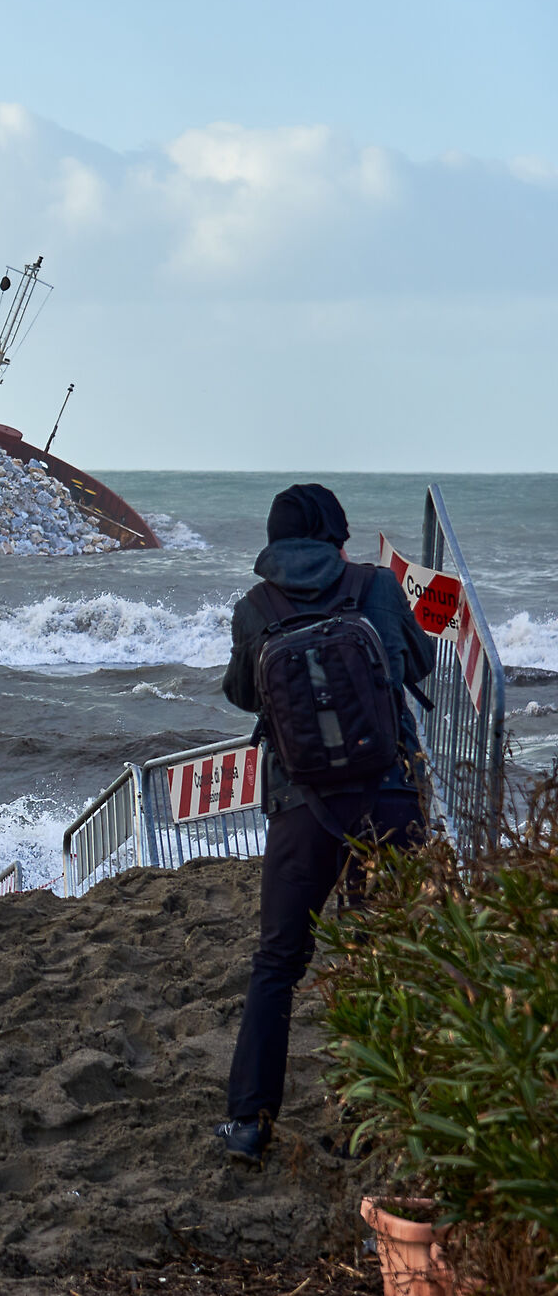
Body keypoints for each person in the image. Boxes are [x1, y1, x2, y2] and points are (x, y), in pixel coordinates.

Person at [215, 483, 435, 1166]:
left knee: (278, 963)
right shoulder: (375, 586)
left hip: (301, 807)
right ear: (337, 535)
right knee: (381, 955)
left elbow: (244, 693)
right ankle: (373, 1120)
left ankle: (251, 1123)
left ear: (274, 542)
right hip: (388, 798)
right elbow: (420, 665)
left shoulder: (254, 608)